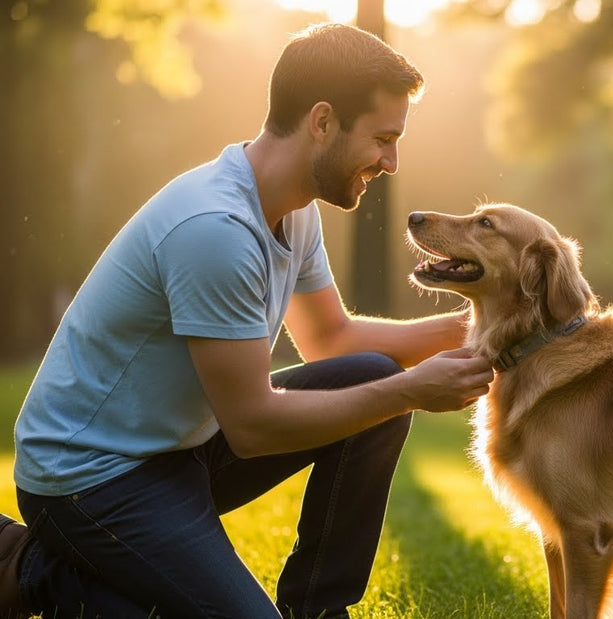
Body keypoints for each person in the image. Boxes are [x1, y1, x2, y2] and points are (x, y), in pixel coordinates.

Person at [0, 22, 493, 618]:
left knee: (369, 375)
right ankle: (33, 569)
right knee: (387, 391)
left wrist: (477, 333)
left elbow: (329, 338)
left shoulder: (293, 207)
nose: (391, 162)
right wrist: (412, 389)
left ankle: (317, 609)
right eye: (383, 138)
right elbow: (253, 426)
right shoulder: (216, 230)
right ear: (321, 122)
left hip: (184, 450)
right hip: (91, 478)